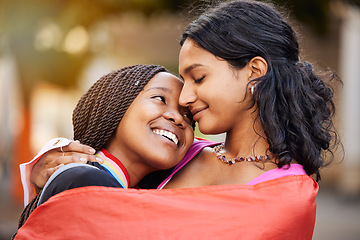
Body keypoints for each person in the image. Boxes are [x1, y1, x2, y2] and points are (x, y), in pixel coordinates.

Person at [16, 1, 341, 239]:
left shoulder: (287, 194)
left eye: (198, 78)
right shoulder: (180, 153)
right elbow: (104, 181)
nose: (185, 99)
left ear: (254, 72)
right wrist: (51, 166)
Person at [13, 64, 194, 235]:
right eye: (160, 99)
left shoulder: (101, 182)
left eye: (188, 116)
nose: (178, 118)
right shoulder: (86, 180)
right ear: (117, 105)